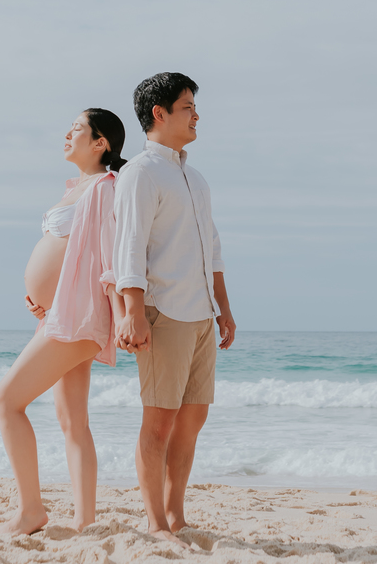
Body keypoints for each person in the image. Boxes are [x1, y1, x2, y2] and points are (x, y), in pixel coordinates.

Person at [0, 108, 129, 534]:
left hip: (77, 317)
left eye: (77, 129)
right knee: (73, 422)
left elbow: (110, 258)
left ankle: (31, 511)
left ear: (100, 143)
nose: (67, 134)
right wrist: (42, 299)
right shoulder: (76, 188)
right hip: (60, 314)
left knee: (5, 402)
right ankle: (85, 523)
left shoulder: (105, 187)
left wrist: (123, 317)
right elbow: (67, 257)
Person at [112, 72, 236, 546]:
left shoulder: (195, 178)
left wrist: (224, 309)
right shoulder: (140, 173)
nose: (196, 115)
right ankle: (155, 524)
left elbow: (213, 249)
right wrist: (132, 312)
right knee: (159, 422)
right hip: (163, 311)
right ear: (159, 113)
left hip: (201, 313)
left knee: (192, 420)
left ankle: (177, 516)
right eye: (188, 107)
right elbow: (130, 246)